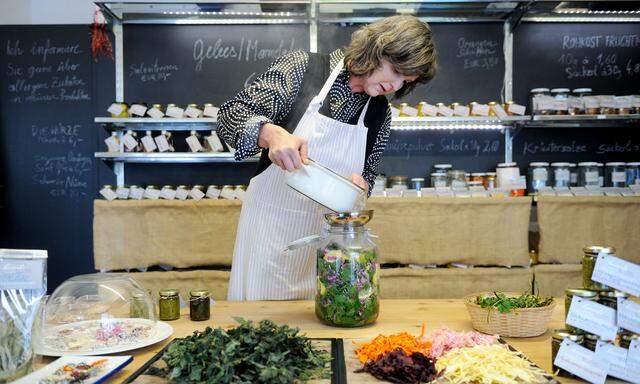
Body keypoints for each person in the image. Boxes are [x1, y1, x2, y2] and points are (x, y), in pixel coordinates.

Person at [218, 15, 437, 301]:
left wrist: (359, 187)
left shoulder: (379, 113)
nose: (395, 85)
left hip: (329, 249)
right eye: (395, 69)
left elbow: (368, 174)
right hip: (270, 236)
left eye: (405, 80)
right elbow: (229, 115)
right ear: (375, 49)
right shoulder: (303, 68)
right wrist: (270, 134)